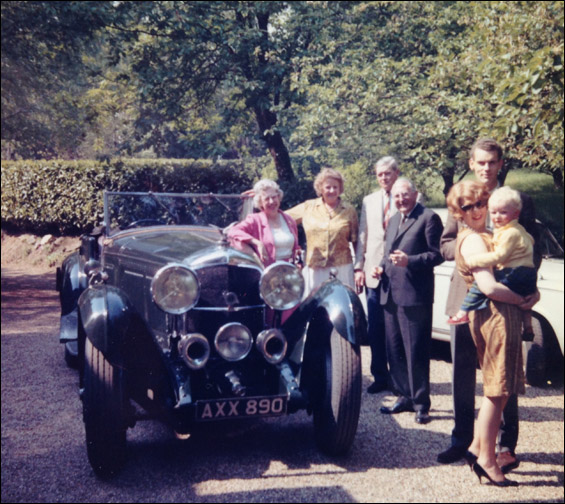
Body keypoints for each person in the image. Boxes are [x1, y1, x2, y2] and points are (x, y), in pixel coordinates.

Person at [437, 138, 541, 471]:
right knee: (463, 372)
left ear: (500, 164)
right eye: (480, 162)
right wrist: (471, 245)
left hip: (506, 299)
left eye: (492, 162)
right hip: (467, 294)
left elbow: (532, 249)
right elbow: (445, 244)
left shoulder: (518, 200)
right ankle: (463, 440)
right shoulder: (461, 195)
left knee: (505, 374)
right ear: (471, 164)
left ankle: (506, 445)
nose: (486, 168)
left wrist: (532, 290)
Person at [372, 178, 444, 424]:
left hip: (414, 296)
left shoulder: (428, 218)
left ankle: (421, 403)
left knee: (416, 352)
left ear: (415, 194)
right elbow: (388, 254)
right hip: (390, 293)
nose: (400, 199)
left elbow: (438, 255)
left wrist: (410, 261)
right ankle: (403, 396)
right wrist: (380, 268)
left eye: (405, 194)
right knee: (395, 351)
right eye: (396, 196)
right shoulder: (394, 219)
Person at [448, 186, 536, 341]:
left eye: (480, 204)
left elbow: (500, 258)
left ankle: (463, 312)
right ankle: (528, 326)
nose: (476, 211)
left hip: (505, 312)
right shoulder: (473, 238)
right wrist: (524, 299)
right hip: (496, 314)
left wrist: (474, 261)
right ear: (459, 212)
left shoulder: (501, 233)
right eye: (467, 207)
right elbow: (489, 287)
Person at [354, 156, 399, 394]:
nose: (383, 178)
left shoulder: (409, 196)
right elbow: (363, 234)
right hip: (372, 272)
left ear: (396, 173)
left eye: (387, 173)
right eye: (380, 174)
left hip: (398, 271)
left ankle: (400, 379)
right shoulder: (369, 200)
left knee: (396, 328)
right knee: (375, 327)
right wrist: (358, 267)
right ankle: (380, 376)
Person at [286, 168, 358, 295]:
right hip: (315, 270)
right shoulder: (308, 207)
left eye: (335, 187)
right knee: (316, 305)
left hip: (342, 269)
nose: (332, 190)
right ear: (320, 188)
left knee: (342, 303)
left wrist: (358, 269)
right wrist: (263, 196)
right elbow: (281, 218)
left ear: (340, 189)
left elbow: (356, 242)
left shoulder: (349, 210)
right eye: (328, 187)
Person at [228, 179, 300, 266]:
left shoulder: (289, 220)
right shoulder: (255, 220)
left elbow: (296, 248)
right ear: (260, 202)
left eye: (274, 197)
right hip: (267, 270)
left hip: (290, 270)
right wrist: (257, 243)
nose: (271, 201)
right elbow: (233, 232)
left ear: (279, 197)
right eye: (266, 199)